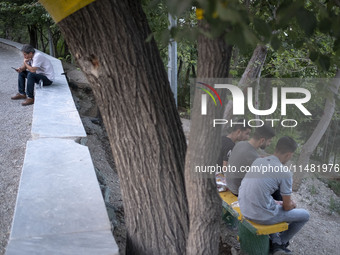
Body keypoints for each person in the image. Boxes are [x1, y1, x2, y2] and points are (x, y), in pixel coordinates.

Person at [238, 136, 309, 255]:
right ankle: (279, 243)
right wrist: (292, 204)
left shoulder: (258, 161)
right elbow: (287, 207)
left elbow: (257, 190)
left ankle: (276, 243)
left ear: (276, 148)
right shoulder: (285, 173)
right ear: (289, 154)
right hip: (258, 215)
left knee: (276, 204)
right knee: (305, 215)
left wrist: (275, 202)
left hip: (244, 207)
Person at [226, 124, 275, 196]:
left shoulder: (240, 144)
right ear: (262, 140)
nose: (269, 144)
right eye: (269, 141)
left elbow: (247, 158)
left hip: (229, 184)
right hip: (237, 191)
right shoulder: (253, 156)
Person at [216, 121, 251, 192]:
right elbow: (225, 169)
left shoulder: (222, 138)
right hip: (218, 178)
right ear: (239, 132)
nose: (248, 137)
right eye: (247, 134)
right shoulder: (230, 146)